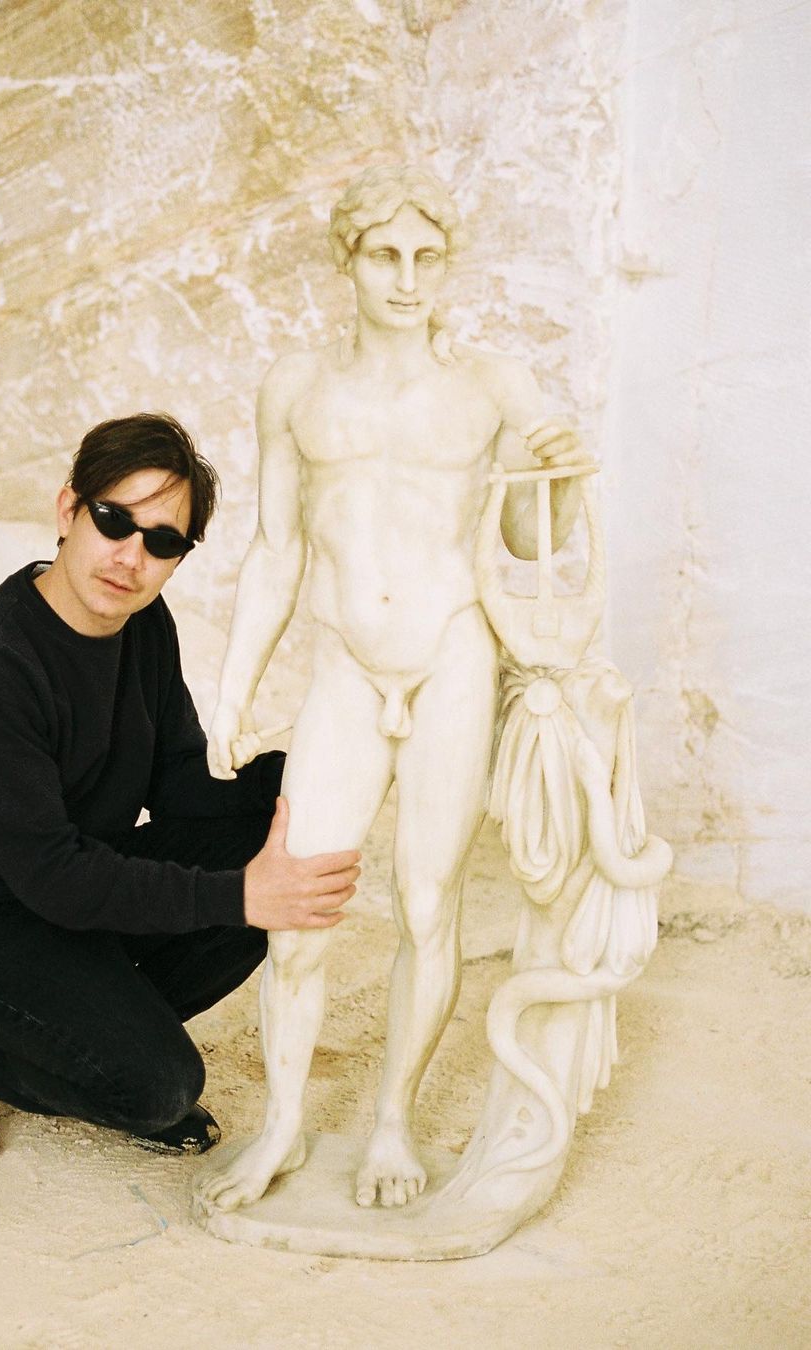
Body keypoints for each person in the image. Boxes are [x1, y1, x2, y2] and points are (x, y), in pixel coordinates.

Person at [195, 165, 595, 1214]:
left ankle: (391, 1124)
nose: (409, 278)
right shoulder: (298, 387)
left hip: (452, 654)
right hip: (344, 664)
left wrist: (559, 474)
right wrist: (232, 694)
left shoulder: (492, 386)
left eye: (428, 257)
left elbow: (528, 539)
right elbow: (277, 549)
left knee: (426, 903)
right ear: (349, 261)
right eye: (386, 256)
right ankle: (283, 1126)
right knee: (300, 911)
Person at [0, 412, 361, 1165]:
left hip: (63, 880)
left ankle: (78, 1021)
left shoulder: (142, 626)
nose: (131, 557)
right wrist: (239, 897)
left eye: (162, 542)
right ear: (69, 511)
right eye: (115, 521)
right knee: (157, 1086)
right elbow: (54, 876)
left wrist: (319, 768)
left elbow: (181, 784)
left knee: (279, 845)